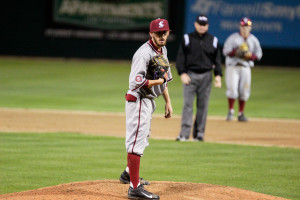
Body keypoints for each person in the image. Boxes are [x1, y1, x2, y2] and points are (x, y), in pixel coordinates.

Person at [119, 18, 173, 200]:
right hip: (138, 99)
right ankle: (134, 188)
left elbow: (164, 77)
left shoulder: (163, 49)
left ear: (168, 33)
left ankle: (128, 174)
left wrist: (168, 101)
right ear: (151, 34)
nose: (161, 36)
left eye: (164, 33)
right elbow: (135, 83)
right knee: (136, 142)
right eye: (158, 33)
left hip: (149, 100)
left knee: (144, 137)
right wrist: (158, 81)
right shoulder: (143, 54)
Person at [175, 15, 222, 142]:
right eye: (200, 24)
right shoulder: (187, 38)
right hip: (190, 75)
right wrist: (182, 73)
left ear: (208, 26)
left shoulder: (213, 40)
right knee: (187, 105)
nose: (202, 26)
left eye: (204, 24)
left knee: (203, 106)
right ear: (195, 24)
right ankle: (184, 134)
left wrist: (218, 75)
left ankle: (199, 133)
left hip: (206, 75)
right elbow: (180, 58)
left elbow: (217, 60)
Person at [223, 17, 262, 122]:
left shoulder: (253, 40)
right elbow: (225, 51)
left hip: (246, 67)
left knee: (244, 91)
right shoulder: (233, 38)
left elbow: (259, 54)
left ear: (250, 27)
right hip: (233, 66)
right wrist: (235, 52)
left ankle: (241, 113)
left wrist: (250, 56)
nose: (245, 28)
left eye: (247, 26)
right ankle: (231, 112)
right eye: (243, 26)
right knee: (232, 89)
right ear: (240, 27)